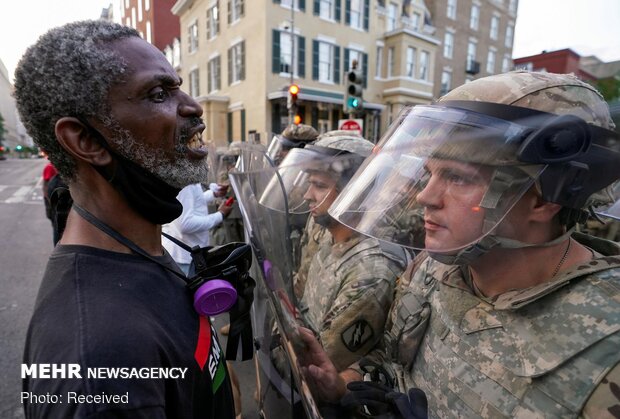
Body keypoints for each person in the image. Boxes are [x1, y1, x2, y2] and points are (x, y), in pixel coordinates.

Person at [298, 71, 620, 418]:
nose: (425, 196)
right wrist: (341, 384)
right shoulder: (432, 269)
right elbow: (388, 363)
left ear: (543, 200)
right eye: (430, 173)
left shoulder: (606, 349)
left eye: (457, 177)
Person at [14, 20, 235, 418]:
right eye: (157, 94)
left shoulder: (138, 248)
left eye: (177, 85)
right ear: (85, 140)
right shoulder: (96, 359)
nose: (193, 106)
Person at [284, 132, 407, 372]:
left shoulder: (371, 272)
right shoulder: (330, 235)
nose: (308, 195)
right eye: (310, 183)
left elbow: (322, 361)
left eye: (319, 185)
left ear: (355, 193)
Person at [163, 182, 234, 274]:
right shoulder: (186, 185)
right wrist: (220, 215)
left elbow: (193, 201)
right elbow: (185, 224)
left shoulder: (190, 181)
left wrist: (213, 194)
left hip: (189, 256)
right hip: (185, 259)